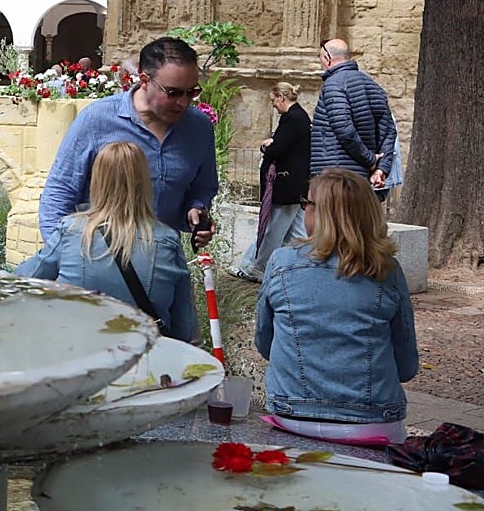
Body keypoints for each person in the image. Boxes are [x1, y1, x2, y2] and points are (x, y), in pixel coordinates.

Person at [255, 169, 418, 446]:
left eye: (306, 203)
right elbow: (406, 365)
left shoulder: (281, 263)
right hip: (372, 421)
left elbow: (264, 342)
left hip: (293, 415)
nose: (303, 210)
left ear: (320, 213)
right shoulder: (387, 270)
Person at [40, 37, 218, 247]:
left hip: (162, 258)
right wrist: (62, 254)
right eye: (173, 93)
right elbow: (59, 194)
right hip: (97, 256)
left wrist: (196, 211)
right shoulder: (97, 120)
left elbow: (203, 188)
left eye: (192, 92)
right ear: (144, 81)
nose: (183, 102)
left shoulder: (199, 128)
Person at [17, 142, 196, 341]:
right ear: (145, 183)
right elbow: (184, 329)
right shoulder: (168, 242)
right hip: (144, 354)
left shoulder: (72, 231)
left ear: (97, 181)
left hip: (78, 350)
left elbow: (24, 280)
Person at [231, 82, 310, 281]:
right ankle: (297, 267)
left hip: (286, 184)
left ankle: (258, 268)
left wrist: (266, 146)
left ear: (282, 97)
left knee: (272, 230)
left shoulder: (292, 118)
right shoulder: (299, 116)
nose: (273, 104)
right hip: (296, 183)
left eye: (273, 100)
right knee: (296, 232)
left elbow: (278, 149)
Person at [310, 39, 396, 200]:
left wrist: (370, 160)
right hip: (360, 179)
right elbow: (389, 131)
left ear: (327, 58)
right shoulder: (373, 86)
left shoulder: (333, 85)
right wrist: (380, 169)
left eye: (320, 57)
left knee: (334, 217)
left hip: (334, 179)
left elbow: (344, 129)